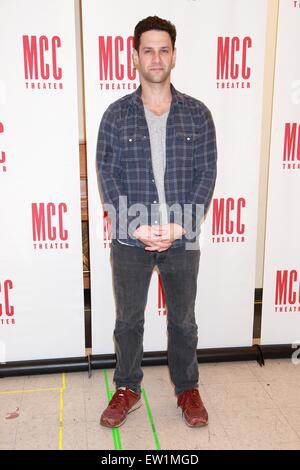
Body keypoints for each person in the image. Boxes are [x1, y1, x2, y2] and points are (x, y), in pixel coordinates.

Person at [96, 15, 217, 428]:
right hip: (132, 238)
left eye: (163, 49)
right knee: (128, 320)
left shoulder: (198, 114)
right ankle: (127, 387)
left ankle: (187, 389)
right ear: (135, 56)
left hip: (182, 238)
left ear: (174, 56)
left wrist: (182, 224)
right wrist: (133, 225)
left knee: (183, 321)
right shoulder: (115, 115)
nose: (156, 57)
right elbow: (106, 173)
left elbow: (207, 173)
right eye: (148, 49)